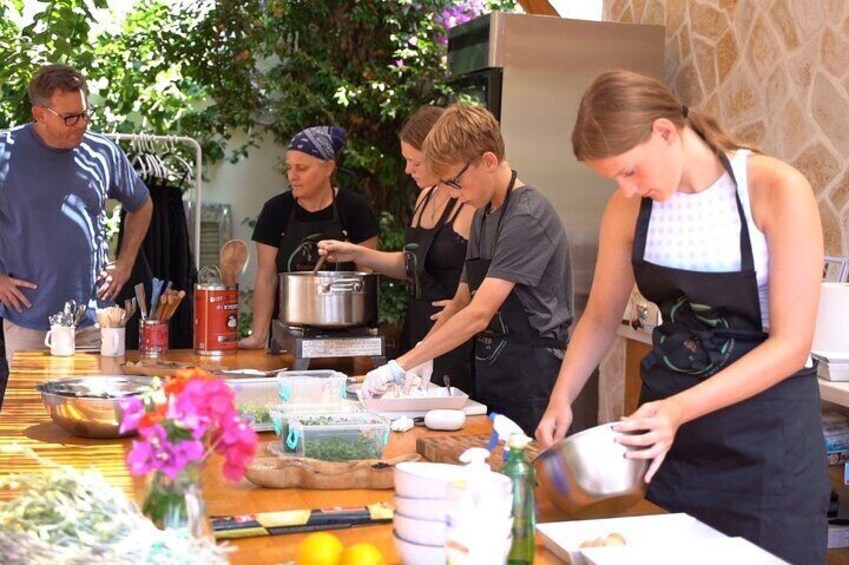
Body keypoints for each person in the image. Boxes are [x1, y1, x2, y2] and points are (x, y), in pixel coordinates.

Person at [535, 70, 828, 564]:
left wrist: (677, 411)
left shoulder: (776, 188)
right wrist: (562, 396)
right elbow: (601, 317)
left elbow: (791, 345)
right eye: (616, 180)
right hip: (672, 446)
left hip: (767, 449)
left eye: (630, 172)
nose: (626, 190)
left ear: (665, 132)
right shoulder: (629, 210)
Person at [362, 104, 574, 436]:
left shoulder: (527, 216)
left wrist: (400, 366)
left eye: (455, 183)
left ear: (488, 161)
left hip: (529, 377)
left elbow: (479, 313)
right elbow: (461, 301)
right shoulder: (484, 211)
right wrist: (418, 361)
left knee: (524, 477)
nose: (450, 194)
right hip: (490, 368)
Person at [0, 64, 152, 364]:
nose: (80, 124)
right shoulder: (5, 151)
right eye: (69, 117)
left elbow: (142, 204)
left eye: (84, 114)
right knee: (32, 410)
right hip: (28, 318)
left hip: (94, 317)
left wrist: (125, 262)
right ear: (39, 113)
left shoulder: (102, 151)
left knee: (92, 410)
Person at [317, 106, 476, 393]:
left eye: (415, 162)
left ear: (439, 155)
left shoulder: (469, 203)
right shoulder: (426, 196)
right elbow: (411, 264)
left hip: (452, 337)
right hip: (415, 325)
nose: (407, 170)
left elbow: (474, 289)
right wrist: (356, 252)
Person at [239, 125, 380, 348]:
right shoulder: (276, 210)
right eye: (288, 168)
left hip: (345, 334)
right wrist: (258, 336)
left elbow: (365, 275)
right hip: (288, 334)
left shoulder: (355, 209)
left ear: (329, 168)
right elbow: (267, 277)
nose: (292, 176)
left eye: (302, 168)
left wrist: (364, 337)